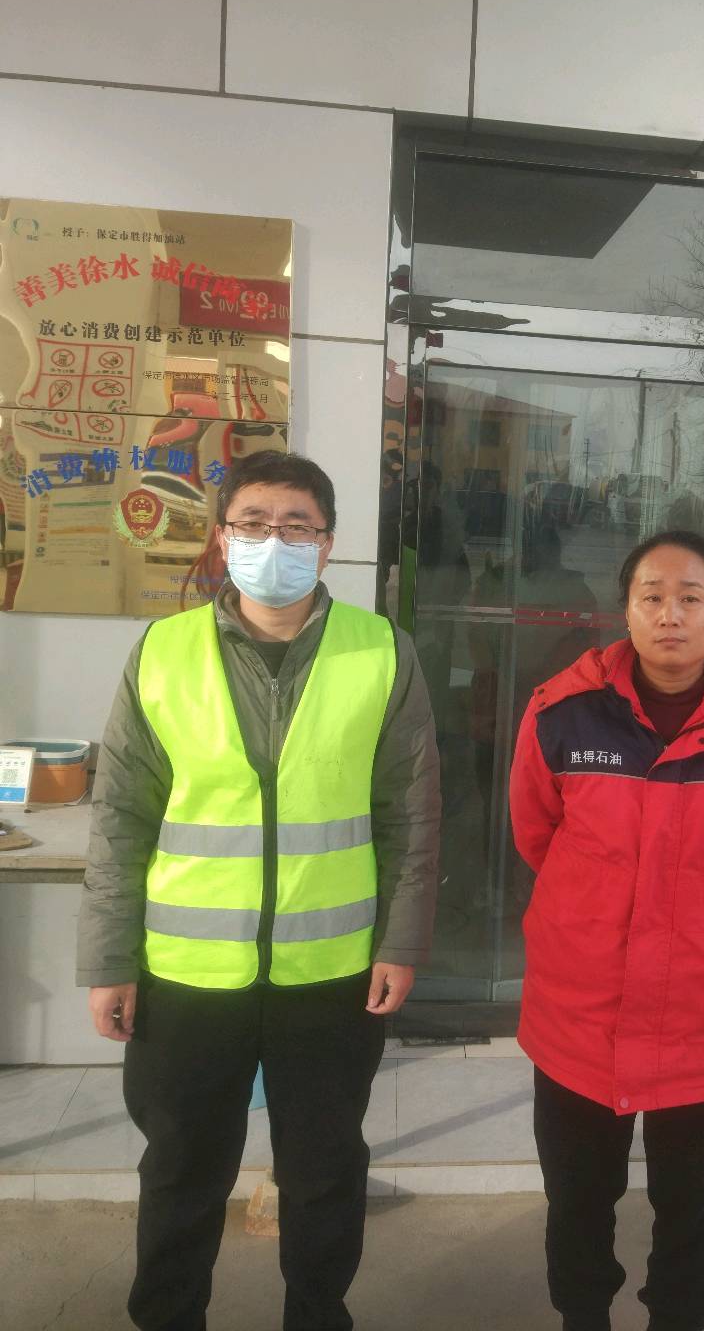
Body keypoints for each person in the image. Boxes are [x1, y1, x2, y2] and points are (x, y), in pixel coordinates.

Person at [77, 450, 440, 1331]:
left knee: (324, 1174)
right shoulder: (163, 652)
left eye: (296, 526)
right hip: (186, 975)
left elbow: (412, 811)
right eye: (253, 524)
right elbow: (121, 814)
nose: (273, 542)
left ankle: (318, 1317)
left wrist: (400, 942)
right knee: (180, 1172)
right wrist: (108, 959)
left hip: (332, 972)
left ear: (328, 544)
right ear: (221, 537)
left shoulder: (380, 651)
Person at [509, 529, 704, 1331]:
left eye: (690, 598)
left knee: (692, 1213)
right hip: (580, 1016)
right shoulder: (562, 713)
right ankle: (583, 1316)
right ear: (626, 610)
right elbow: (537, 835)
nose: (669, 614)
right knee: (577, 1203)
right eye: (652, 596)